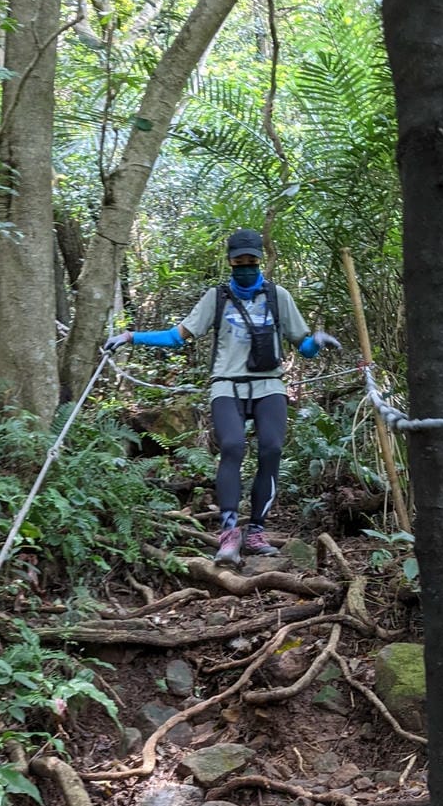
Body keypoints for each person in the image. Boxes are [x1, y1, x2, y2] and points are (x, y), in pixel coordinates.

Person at [105, 229, 340, 564]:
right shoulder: (217, 297)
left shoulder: (278, 296)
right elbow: (177, 337)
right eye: (238, 261)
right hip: (226, 385)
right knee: (232, 446)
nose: (245, 267)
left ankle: (256, 531)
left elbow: (302, 346)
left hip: (268, 384)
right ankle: (229, 534)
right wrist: (130, 336)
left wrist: (317, 340)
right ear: (229, 261)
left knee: (271, 448)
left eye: (251, 261)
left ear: (260, 260)